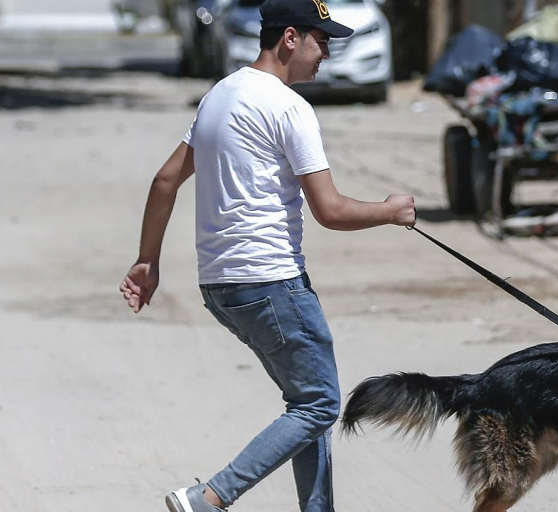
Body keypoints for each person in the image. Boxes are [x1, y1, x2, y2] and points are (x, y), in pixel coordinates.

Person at [118, 0, 416, 510]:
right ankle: (210, 497)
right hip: (272, 282)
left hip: (221, 286)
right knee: (320, 405)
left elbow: (166, 179)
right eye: (323, 41)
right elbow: (331, 211)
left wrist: (148, 261)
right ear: (291, 39)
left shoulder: (220, 94)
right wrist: (390, 211)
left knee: (307, 402)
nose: (328, 53)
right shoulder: (288, 107)